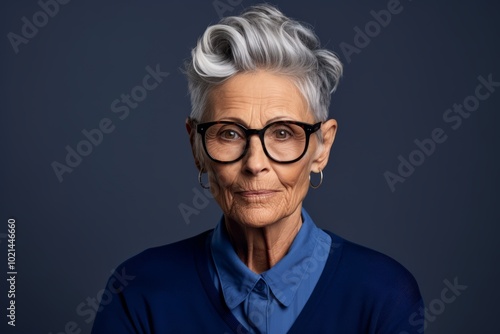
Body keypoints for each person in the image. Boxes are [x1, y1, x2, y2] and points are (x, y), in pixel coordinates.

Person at [92, 4, 423, 333]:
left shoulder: (383, 294)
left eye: (282, 133)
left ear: (321, 147)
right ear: (197, 146)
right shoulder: (138, 290)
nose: (254, 163)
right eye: (230, 133)